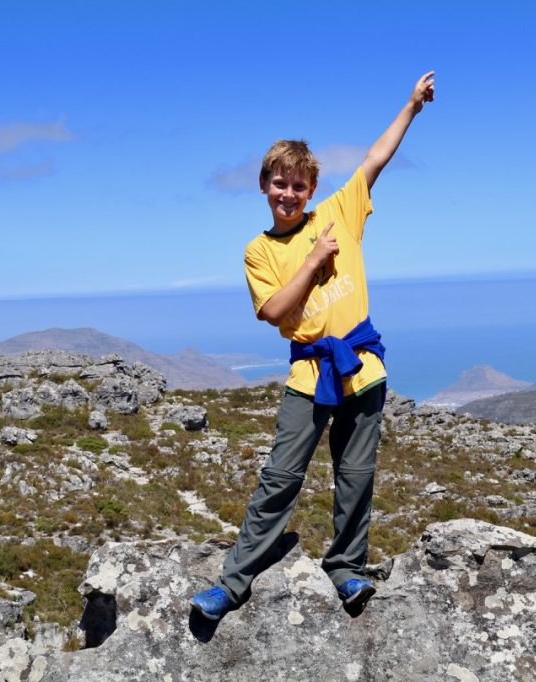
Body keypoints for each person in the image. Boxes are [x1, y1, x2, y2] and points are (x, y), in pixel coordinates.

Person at [189, 72, 436, 620]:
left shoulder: (338, 213)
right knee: (281, 477)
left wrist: (411, 107)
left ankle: (346, 568)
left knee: (356, 477)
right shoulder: (258, 250)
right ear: (263, 185)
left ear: (311, 190)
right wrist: (312, 260)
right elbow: (275, 311)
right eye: (280, 183)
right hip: (309, 374)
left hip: (363, 369)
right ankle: (232, 584)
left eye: (299, 186)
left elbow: (376, 158)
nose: (289, 194)